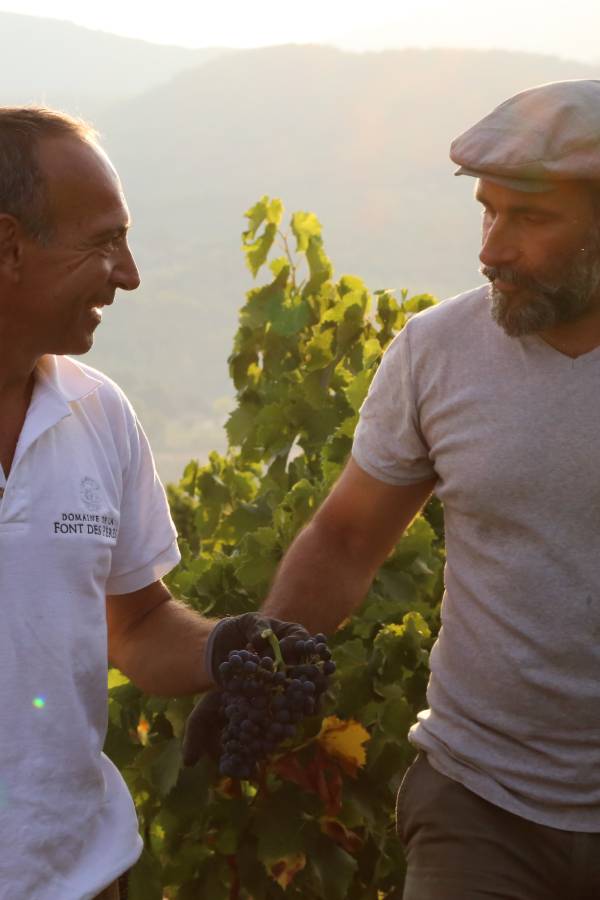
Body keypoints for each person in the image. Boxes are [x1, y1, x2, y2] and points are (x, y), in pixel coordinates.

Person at [257, 79, 600, 899]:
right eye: (487, 210)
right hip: (481, 802)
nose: (492, 248)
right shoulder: (438, 351)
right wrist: (258, 662)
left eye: (530, 217)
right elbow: (346, 539)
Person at [0, 108, 308, 900]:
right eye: (103, 241)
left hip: (85, 874)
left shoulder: (97, 413)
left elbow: (132, 623)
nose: (129, 273)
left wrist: (224, 650)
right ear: (6, 247)